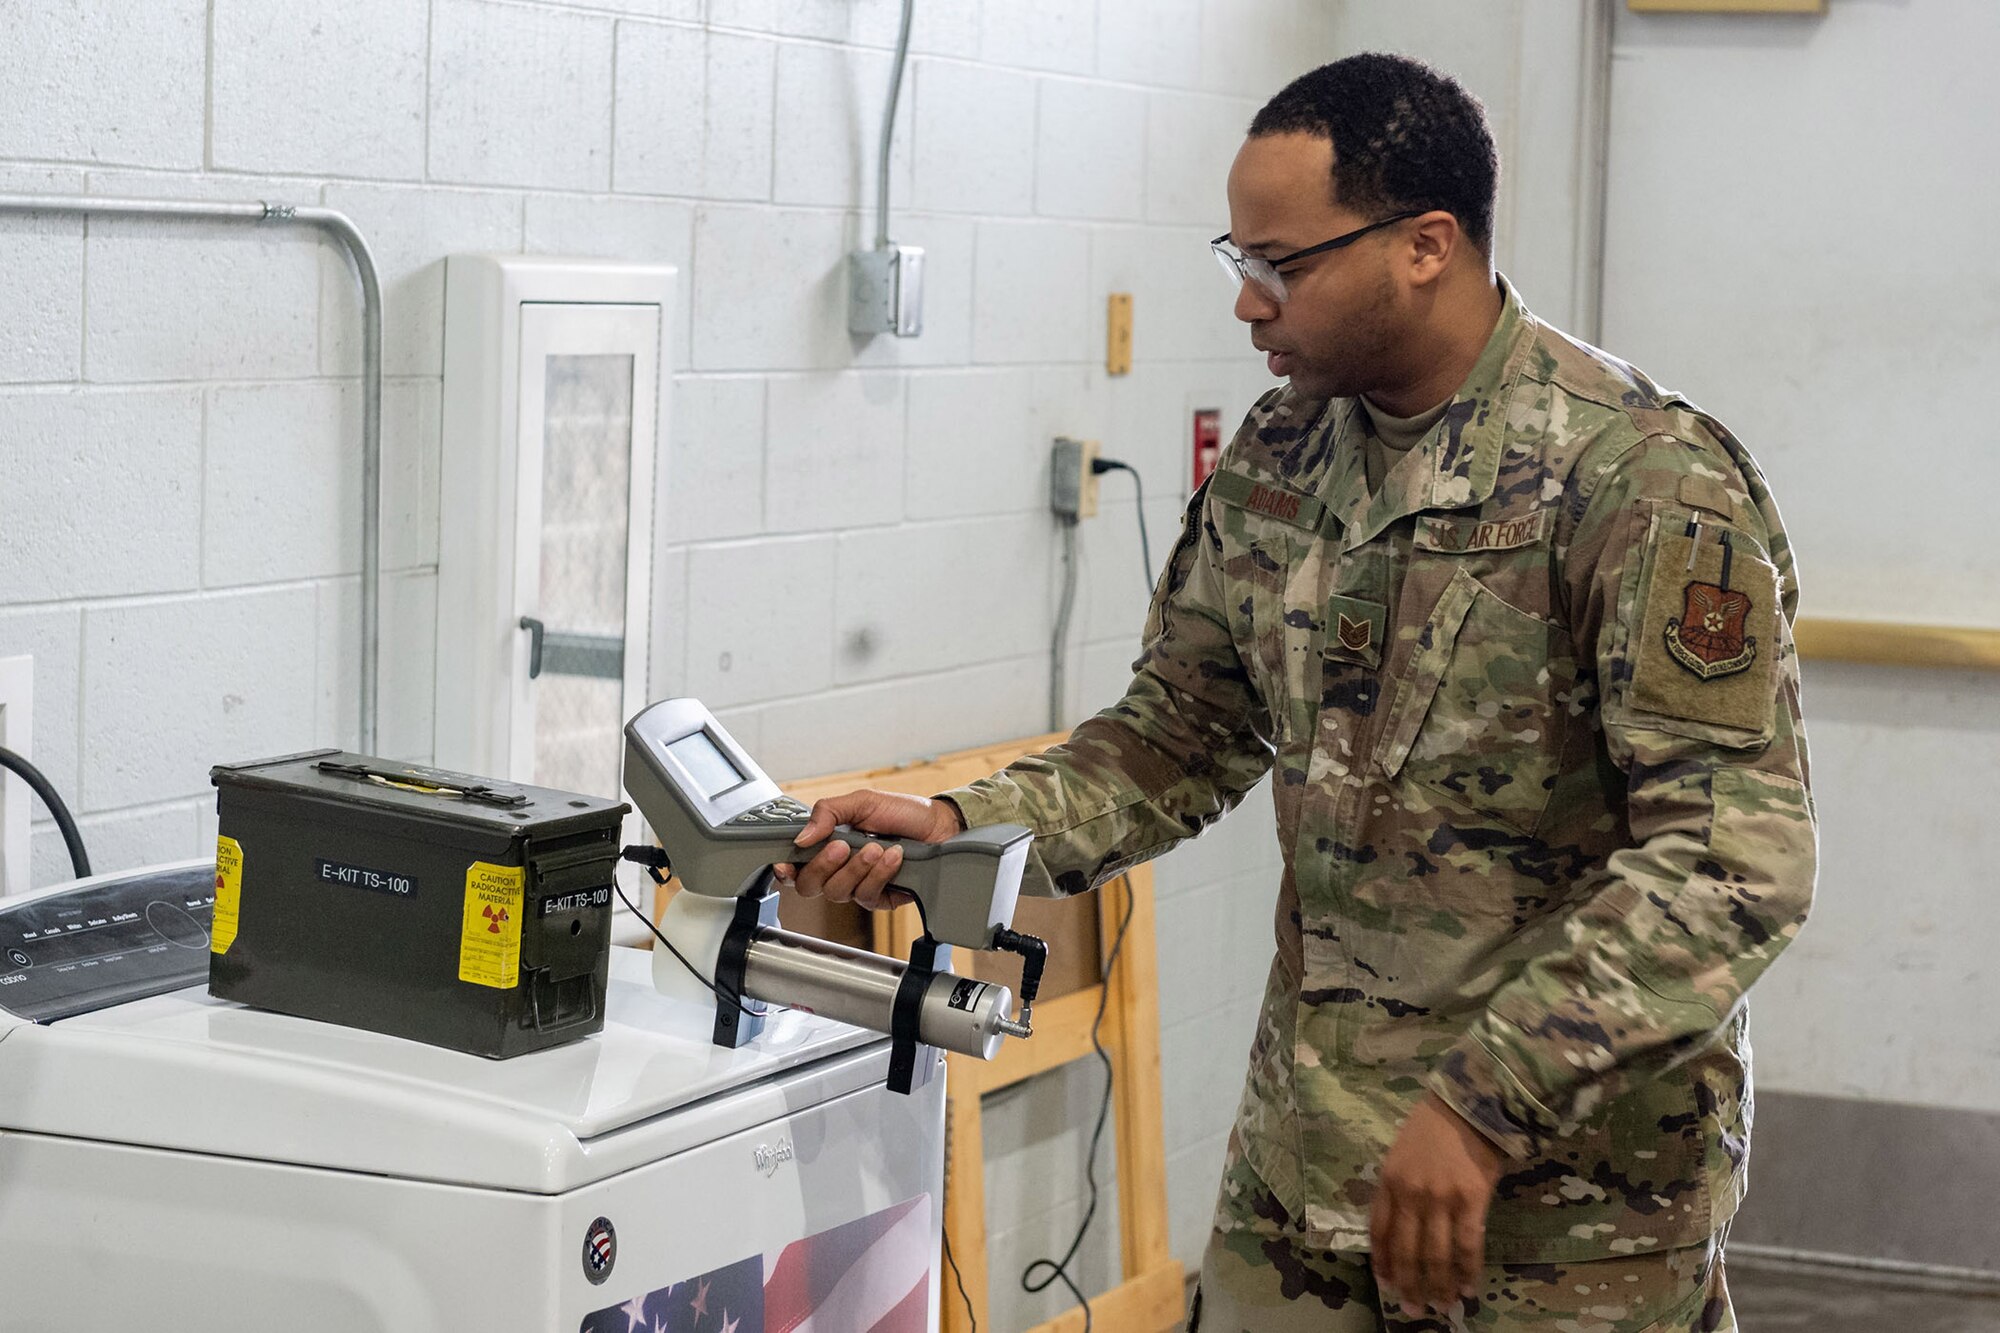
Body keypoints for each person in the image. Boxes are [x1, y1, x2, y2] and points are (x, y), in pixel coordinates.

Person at [773, 52, 1814, 1333]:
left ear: (1424, 245)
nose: (1248, 306)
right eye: (1238, 261)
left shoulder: (1637, 480)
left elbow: (1729, 862)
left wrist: (1484, 1102)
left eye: (1283, 265)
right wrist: (965, 826)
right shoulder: (1284, 453)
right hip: (1307, 1171)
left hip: (1564, 1213)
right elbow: (1180, 729)